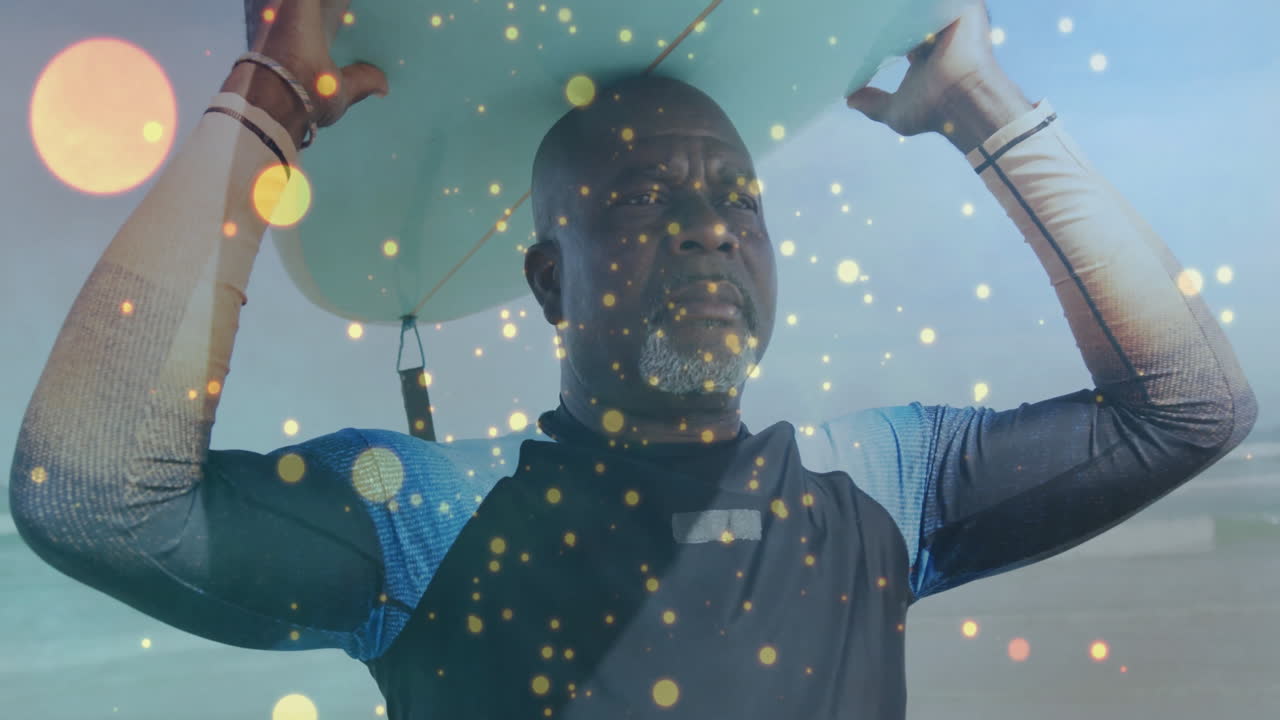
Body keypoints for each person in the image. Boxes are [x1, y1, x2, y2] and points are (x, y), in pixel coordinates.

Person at [8, 0, 1257, 718]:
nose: (710, 222)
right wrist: (264, 104)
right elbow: (91, 496)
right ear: (550, 279)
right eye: (646, 198)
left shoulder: (869, 490)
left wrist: (980, 107)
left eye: (735, 198)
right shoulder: (434, 524)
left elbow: (1190, 406)